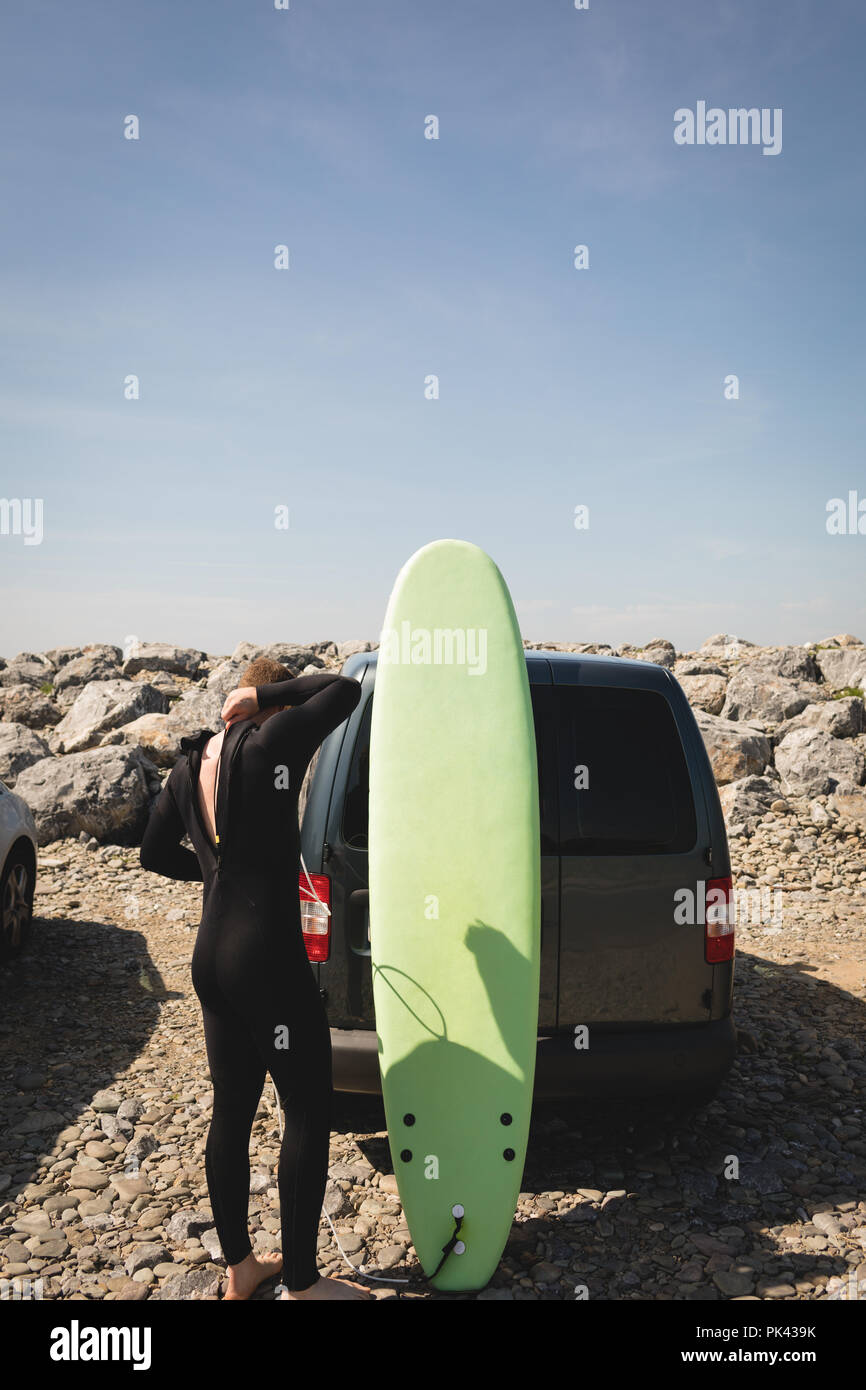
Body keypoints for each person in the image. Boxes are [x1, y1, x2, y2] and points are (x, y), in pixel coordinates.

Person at [139, 658, 371, 1301]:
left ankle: (241, 1267)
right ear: (271, 708)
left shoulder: (188, 765)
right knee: (306, 1109)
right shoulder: (274, 739)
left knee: (232, 1112)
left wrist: (216, 880)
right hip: (266, 955)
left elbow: (153, 855)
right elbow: (345, 689)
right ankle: (302, 1283)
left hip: (211, 957)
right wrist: (266, 694)